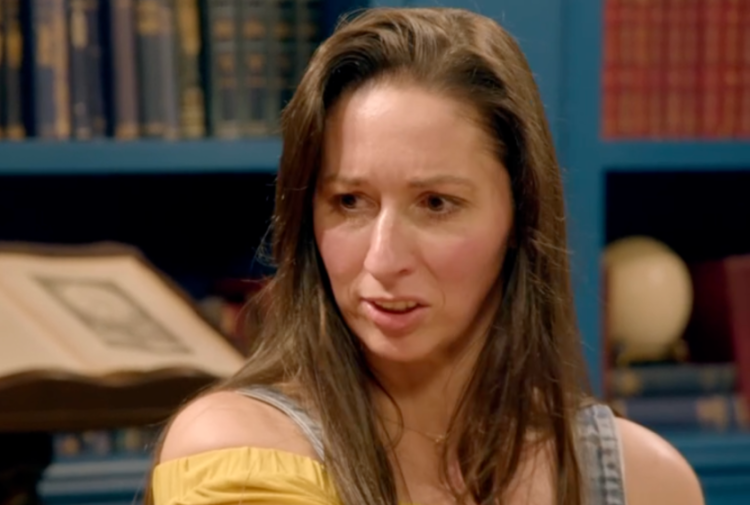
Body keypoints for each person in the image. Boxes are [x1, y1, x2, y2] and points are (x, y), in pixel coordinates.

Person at [146, 7, 705, 505]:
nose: (383, 259)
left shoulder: (645, 480)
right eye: (350, 201)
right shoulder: (240, 451)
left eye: (436, 203)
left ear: (518, 216)